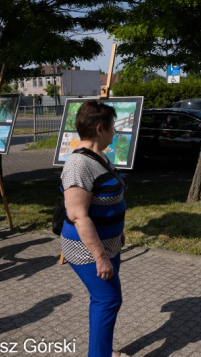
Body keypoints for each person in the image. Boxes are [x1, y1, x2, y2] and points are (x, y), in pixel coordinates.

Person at [60, 100, 130, 357]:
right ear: (100, 129)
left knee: (103, 300)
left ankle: (102, 350)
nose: (115, 132)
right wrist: (100, 257)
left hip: (107, 243)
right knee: (108, 300)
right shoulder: (79, 164)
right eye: (113, 127)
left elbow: (105, 200)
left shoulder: (99, 156)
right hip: (87, 249)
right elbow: (78, 215)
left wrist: (118, 230)